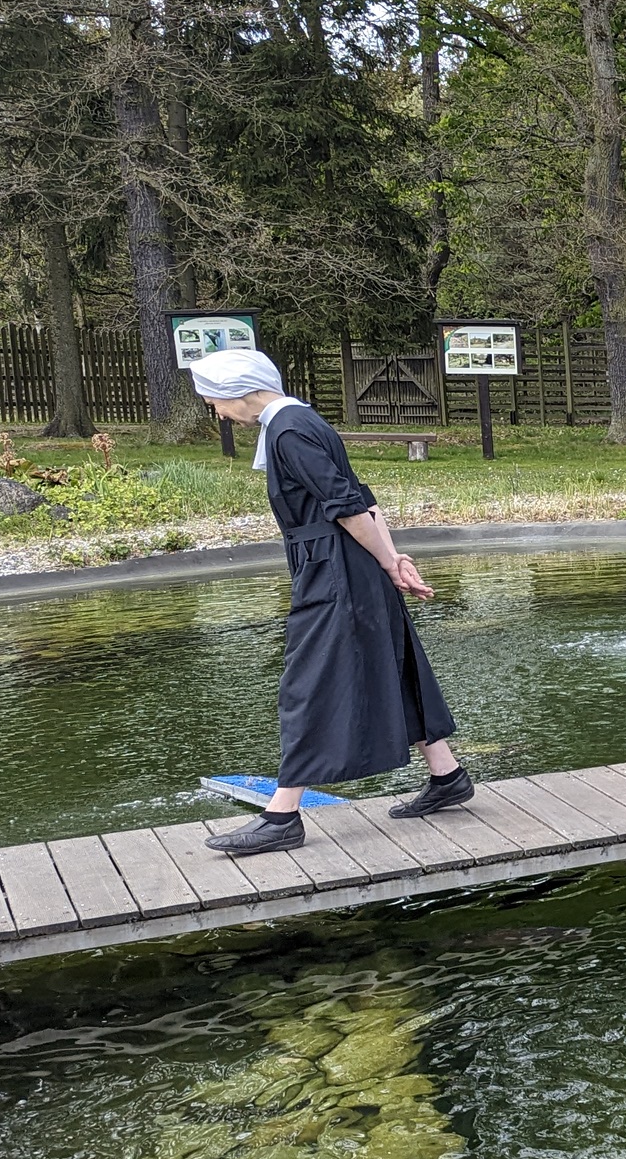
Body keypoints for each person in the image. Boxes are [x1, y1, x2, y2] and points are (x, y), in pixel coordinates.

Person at [190, 350, 473, 854]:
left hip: (336, 569)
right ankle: (446, 775)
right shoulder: (302, 419)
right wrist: (390, 558)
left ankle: (282, 817)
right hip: (346, 563)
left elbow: (346, 505)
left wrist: (390, 561)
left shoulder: (288, 431)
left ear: (239, 392)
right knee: (393, 659)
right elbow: (360, 498)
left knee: (308, 683)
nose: (217, 412)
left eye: (214, 402)